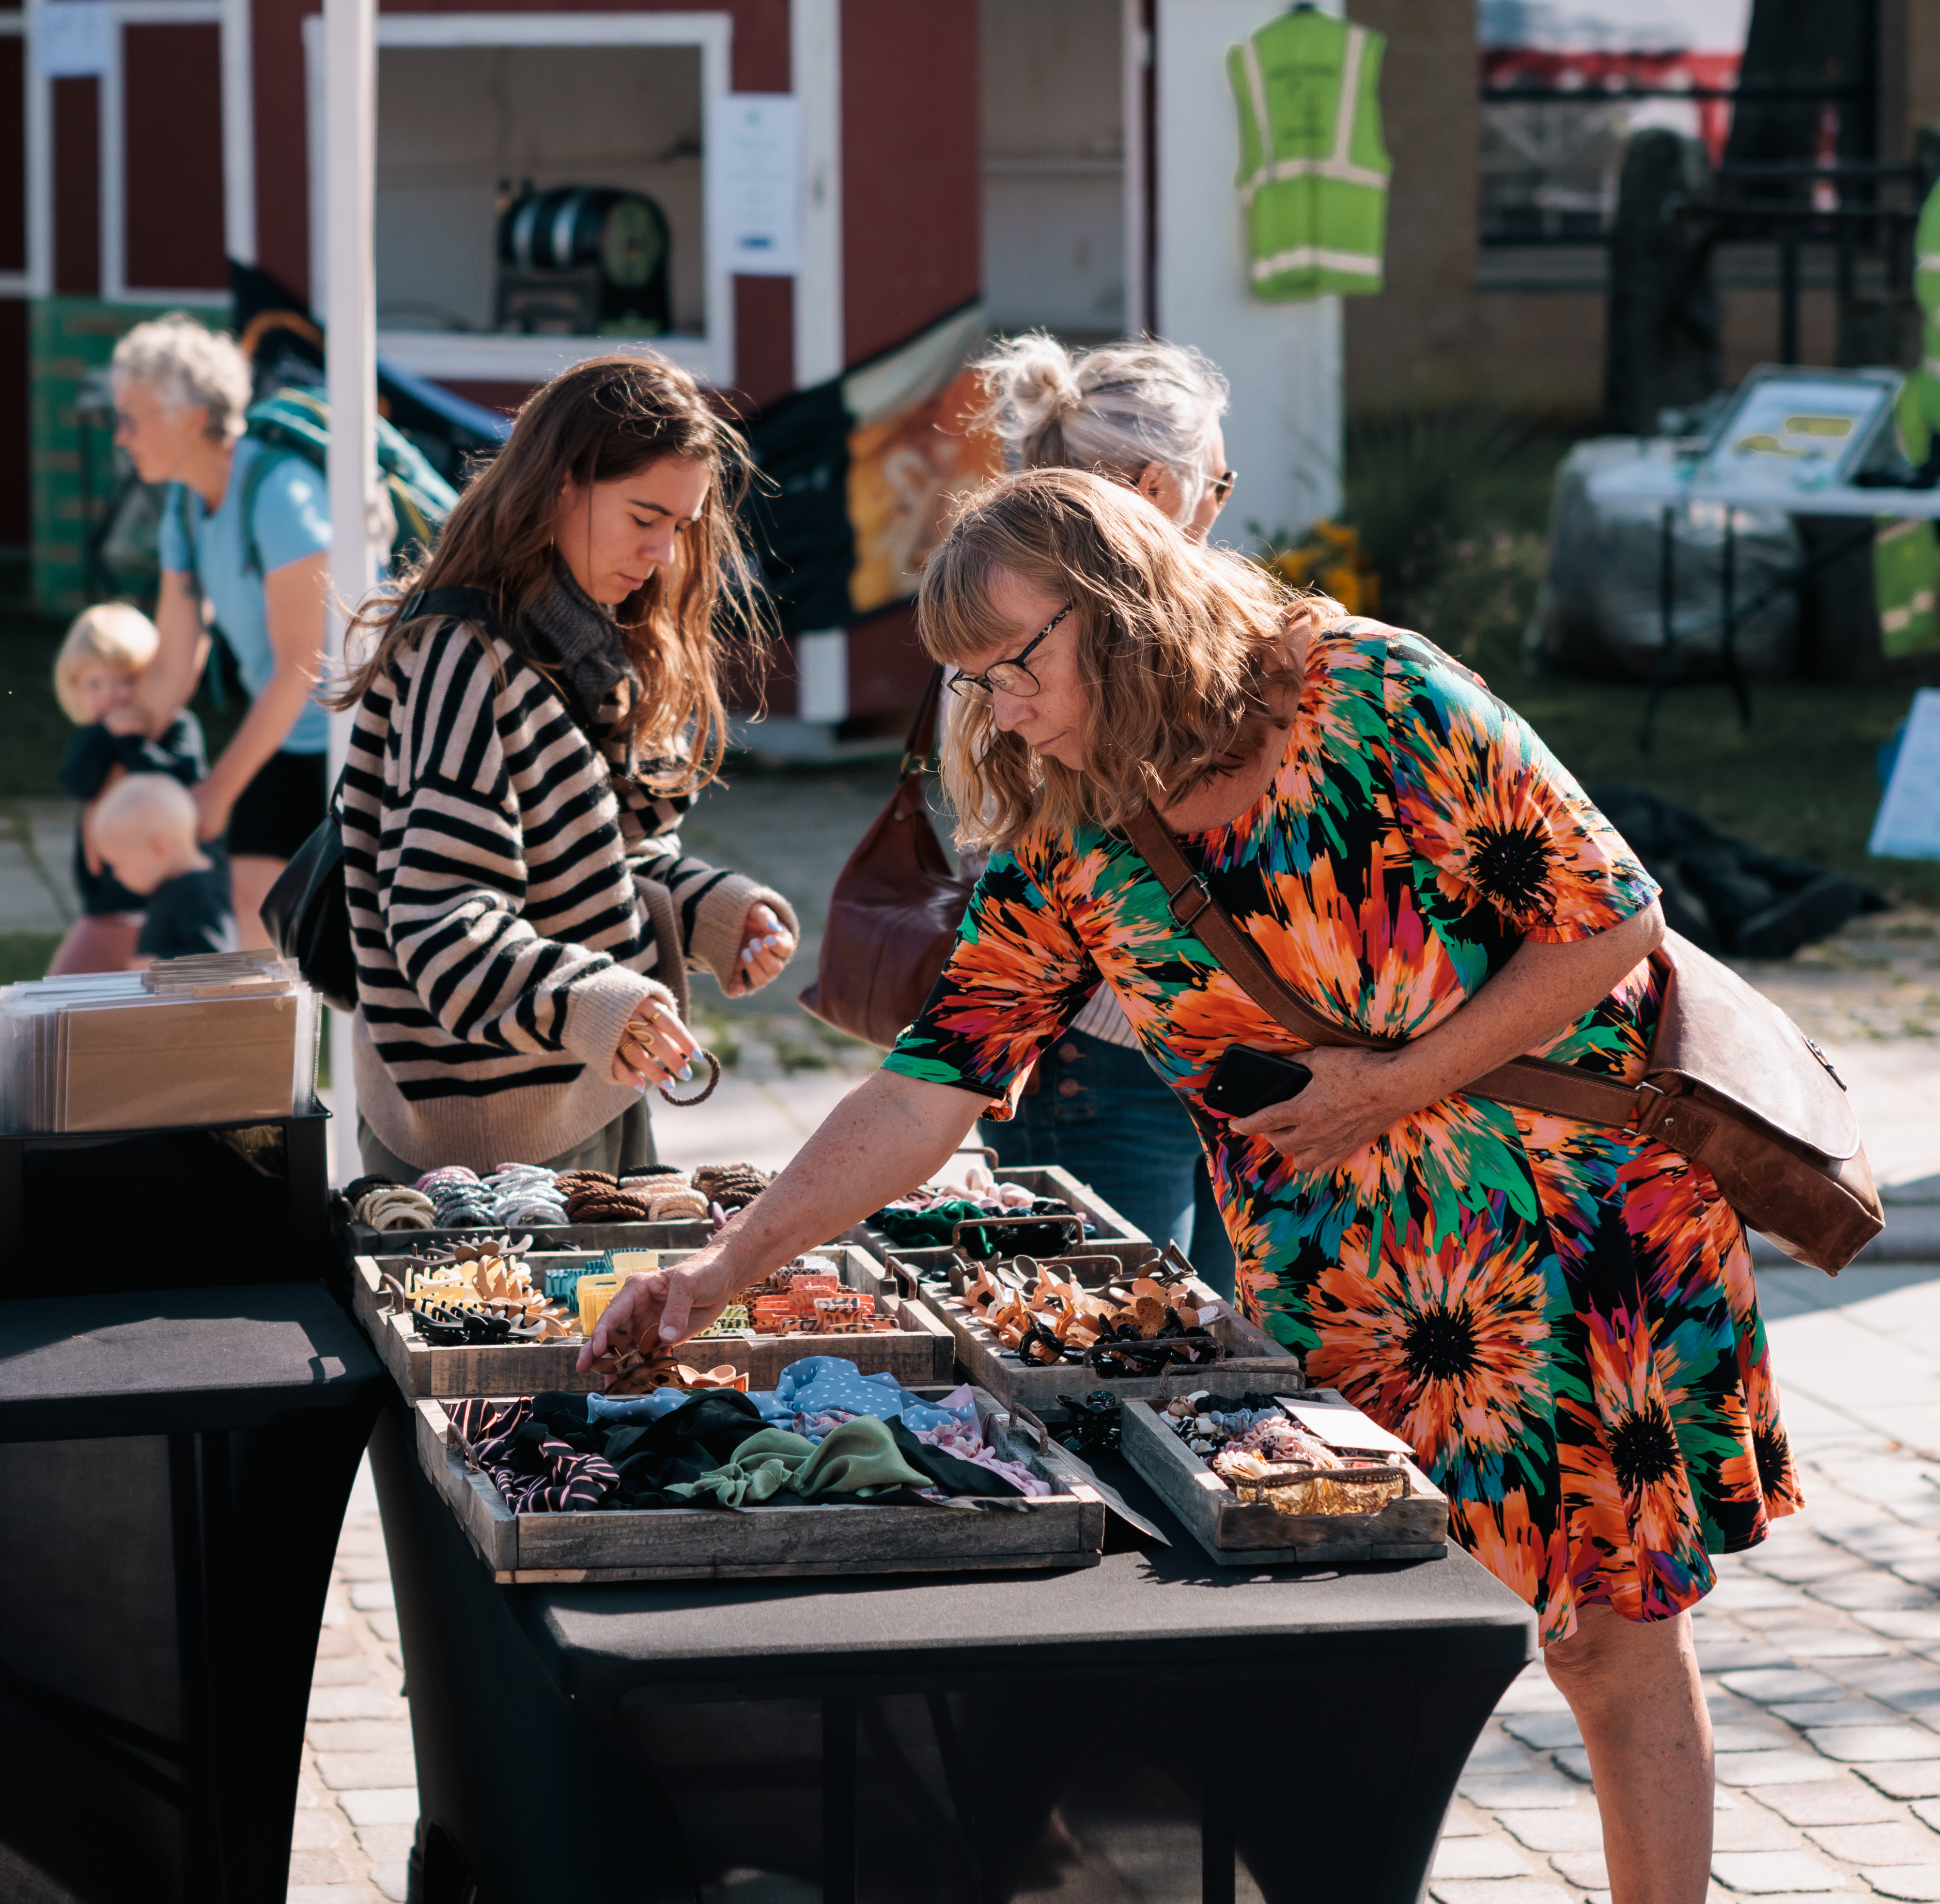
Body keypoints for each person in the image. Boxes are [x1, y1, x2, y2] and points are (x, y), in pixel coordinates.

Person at [588, 468, 1794, 1904]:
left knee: (1604, 1636)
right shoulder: (1065, 834)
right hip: (1339, 1295)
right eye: (969, 683)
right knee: (1353, 1653)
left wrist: (1384, 1085)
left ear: (1119, 610)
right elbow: (927, 1085)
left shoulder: (1368, 694)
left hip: (1569, 1232)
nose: (998, 708)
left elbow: (1610, 922)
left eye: (1015, 663)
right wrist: (720, 1270)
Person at [333, 352, 798, 1177]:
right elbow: (443, 926)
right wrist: (597, 1005)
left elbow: (587, 860)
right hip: (488, 1151)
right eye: (644, 516)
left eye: (681, 527)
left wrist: (714, 914)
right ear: (559, 486)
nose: (662, 551)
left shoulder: (570, 640)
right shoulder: (465, 662)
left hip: (574, 1100)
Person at [968, 331, 1236, 1266]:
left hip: (1208, 1046)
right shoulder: (1025, 638)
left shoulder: (1220, 634)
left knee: (1208, 1344)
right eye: (1220, 482)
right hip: (1100, 1047)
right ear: (1158, 488)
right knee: (1111, 1339)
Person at [111, 314, 329, 942]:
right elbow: (174, 662)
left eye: (133, 418)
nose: (121, 437)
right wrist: (120, 741)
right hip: (288, 735)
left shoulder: (280, 494)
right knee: (257, 925)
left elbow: (303, 665)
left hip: (368, 737)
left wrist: (216, 793)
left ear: (189, 415)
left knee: (350, 955)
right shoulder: (184, 503)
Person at [47, 601, 230, 972]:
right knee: (61, 989)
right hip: (103, 901)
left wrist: (133, 744)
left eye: (125, 681)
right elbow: (77, 783)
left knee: (141, 983)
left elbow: (179, 784)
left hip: (160, 893)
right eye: (95, 684)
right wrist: (105, 738)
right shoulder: (92, 737)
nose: (111, 696)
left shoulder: (178, 728)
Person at [90, 775, 235, 957]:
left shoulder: (198, 892)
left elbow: (216, 957)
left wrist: (159, 963)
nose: (116, 875)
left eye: (118, 864)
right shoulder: (174, 885)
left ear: (159, 848)